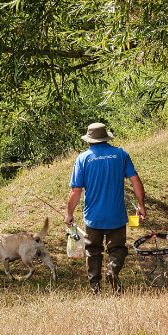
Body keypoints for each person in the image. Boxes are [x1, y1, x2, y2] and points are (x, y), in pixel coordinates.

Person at [65, 122, 146, 295]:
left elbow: (75, 191)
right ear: (106, 138)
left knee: (93, 251)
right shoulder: (121, 154)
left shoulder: (83, 159)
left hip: (93, 218)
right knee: (117, 249)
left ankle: (95, 289)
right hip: (116, 216)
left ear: (89, 141)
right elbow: (136, 181)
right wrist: (141, 205)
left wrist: (69, 214)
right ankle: (112, 272)